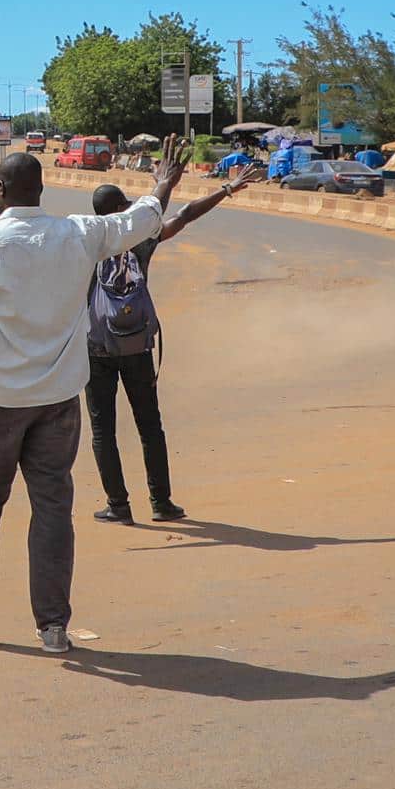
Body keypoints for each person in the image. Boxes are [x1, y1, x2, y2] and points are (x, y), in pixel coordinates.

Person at [0, 137, 185, 655]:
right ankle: (52, 629)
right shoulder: (79, 234)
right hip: (59, 400)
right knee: (52, 508)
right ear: (42, 190)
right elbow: (139, 221)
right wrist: (163, 182)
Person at [87, 165, 263, 524]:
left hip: (97, 349)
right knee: (149, 424)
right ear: (123, 209)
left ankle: (118, 506)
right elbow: (183, 215)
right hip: (136, 345)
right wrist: (226, 189)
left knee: (103, 430)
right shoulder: (140, 241)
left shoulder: (85, 244)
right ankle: (161, 502)